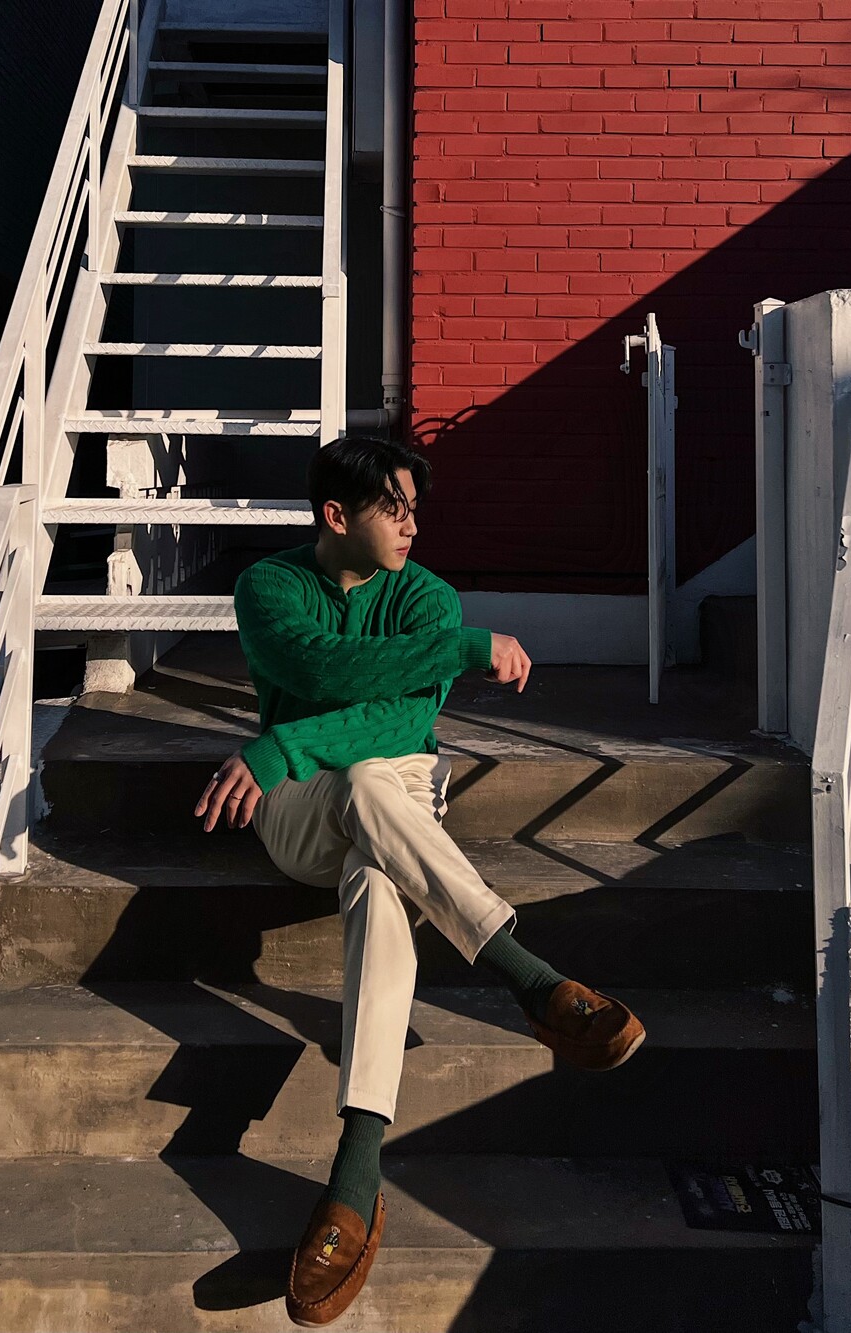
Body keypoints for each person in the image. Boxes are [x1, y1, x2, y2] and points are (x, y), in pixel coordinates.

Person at [193, 437, 645, 1328]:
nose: (411, 524)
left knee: (378, 859)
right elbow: (321, 669)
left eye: (414, 507)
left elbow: (404, 718)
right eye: (391, 508)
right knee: (362, 789)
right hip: (298, 802)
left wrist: (281, 740)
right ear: (335, 515)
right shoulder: (268, 586)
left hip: (390, 784)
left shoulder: (427, 595)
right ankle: (531, 979)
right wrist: (460, 650)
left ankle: (353, 1177)